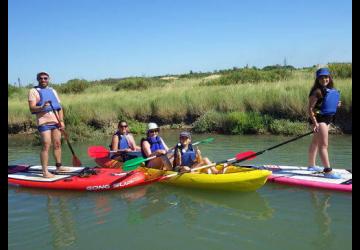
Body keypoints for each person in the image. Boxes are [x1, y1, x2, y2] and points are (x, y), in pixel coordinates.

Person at [28, 71, 66, 178]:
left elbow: (59, 107)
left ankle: (59, 166)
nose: (43, 80)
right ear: (38, 79)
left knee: (57, 144)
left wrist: (61, 121)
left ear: (48, 79)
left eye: (45, 78)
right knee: (46, 145)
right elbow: (32, 108)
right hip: (44, 123)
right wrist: (42, 106)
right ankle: (45, 172)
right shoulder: (33, 91)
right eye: (41, 78)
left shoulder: (52, 90)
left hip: (56, 122)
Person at [307, 67, 341, 179]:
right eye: (321, 78)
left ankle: (311, 166)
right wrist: (315, 123)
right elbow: (310, 109)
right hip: (319, 120)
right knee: (324, 145)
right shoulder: (316, 91)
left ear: (329, 78)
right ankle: (327, 171)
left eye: (326, 77)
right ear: (317, 79)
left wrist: (336, 104)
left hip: (326, 119)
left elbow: (325, 105)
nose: (324, 79)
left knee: (316, 142)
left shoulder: (330, 90)